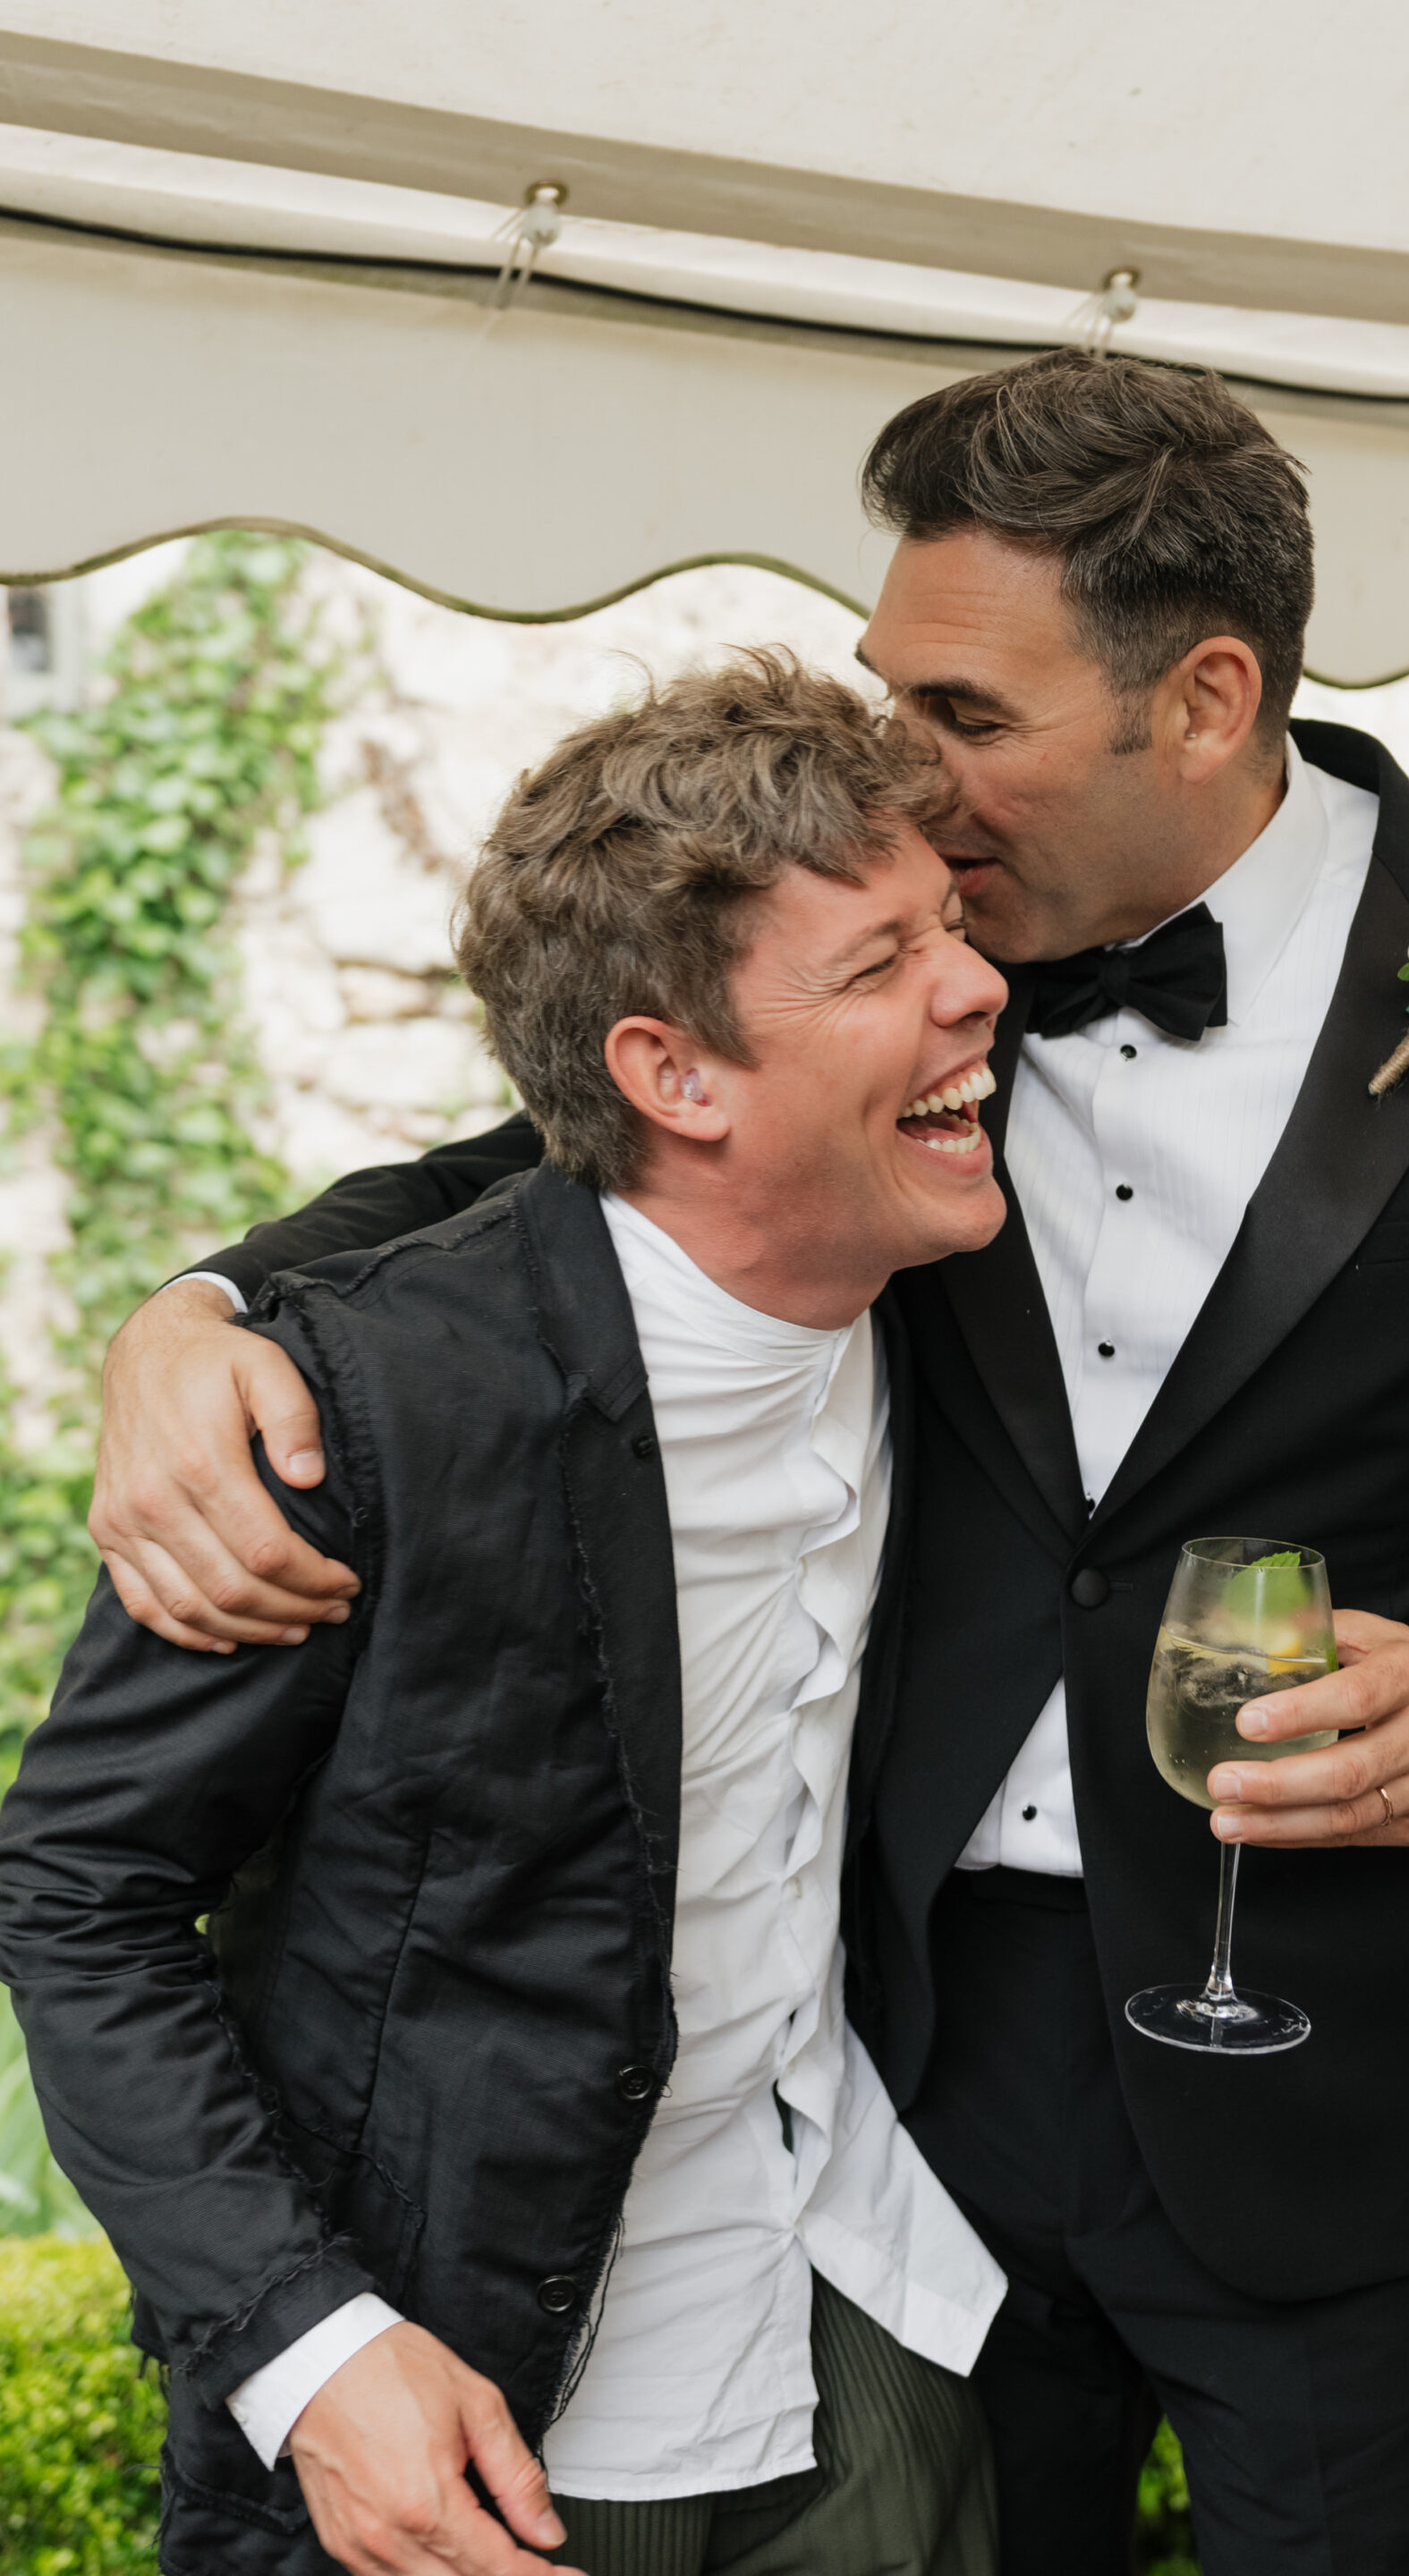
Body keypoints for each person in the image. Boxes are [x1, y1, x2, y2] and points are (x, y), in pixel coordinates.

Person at [85, 354, 1409, 2573]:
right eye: (888, 693)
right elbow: (561, 1150)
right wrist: (193, 1317)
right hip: (900, 2072)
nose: (901, 776)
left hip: (1328, 2057)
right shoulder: (910, 972)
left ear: (1208, 698)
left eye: (965, 717)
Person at [0, 654, 1013, 2576]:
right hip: (487, 2421)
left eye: (950, 927)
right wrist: (308, 2349)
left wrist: (186, 1292)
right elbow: (76, 1888)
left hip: (860, 2316)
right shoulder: (359, 1405)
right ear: (672, 1074)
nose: (974, 989)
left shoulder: (947, 1270)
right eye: (879, 966)